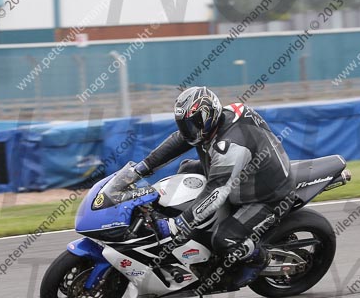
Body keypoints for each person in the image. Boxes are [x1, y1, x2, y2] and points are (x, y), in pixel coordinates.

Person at [118, 86, 296, 285]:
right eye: (184, 125)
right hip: (243, 174)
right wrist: (142, 168)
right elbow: (178, 141)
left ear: (208, 116)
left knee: (224, 239)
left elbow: (217, 191)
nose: (188, 130)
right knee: (186, 170)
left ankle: (259, 259)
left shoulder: (229, 146)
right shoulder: (216, 122)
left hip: (267, 195)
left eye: (192, 124)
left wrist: (178, 224)